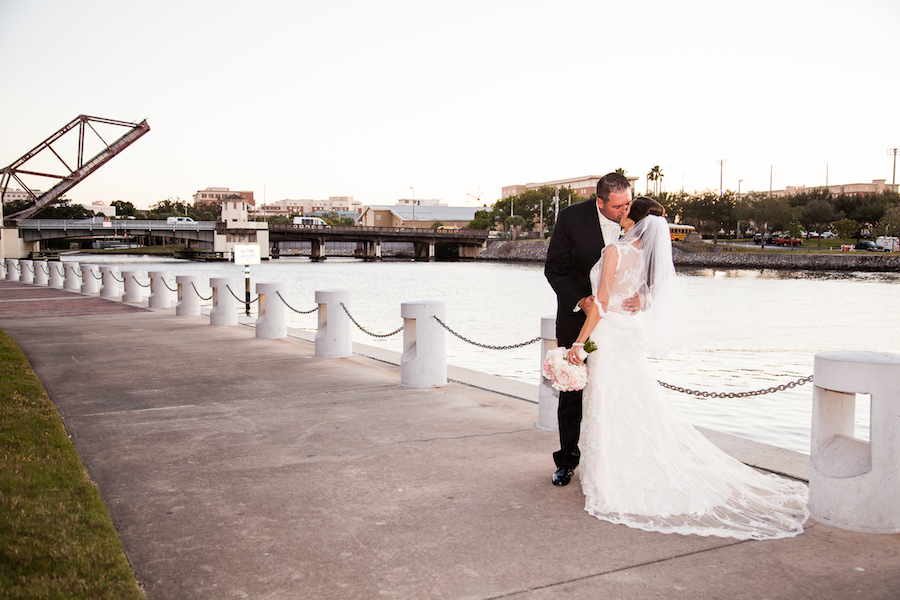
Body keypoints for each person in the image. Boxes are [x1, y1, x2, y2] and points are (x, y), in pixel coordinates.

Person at [565, 197, 809, 540]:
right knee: (631, 401)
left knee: (611, 401)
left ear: (632, 219)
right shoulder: (645, 255)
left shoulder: (614, 253)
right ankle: (626, 468)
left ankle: (614, 477)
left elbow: (602, 302)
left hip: (608, 334)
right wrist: (642, 301)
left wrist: (578, 343)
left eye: (625, 209)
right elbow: (650, 292)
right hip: (628, 335)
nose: (619, 212)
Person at [544, 172, 638, 486]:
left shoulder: (637, 218)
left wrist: (642, 295)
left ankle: (617, 460)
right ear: (600, 202)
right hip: (578, 319)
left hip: (617, 325)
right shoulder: (570, 219)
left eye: (628, 204)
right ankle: (567, 461)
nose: (624, 212)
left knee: (618, 391)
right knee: (572, 394)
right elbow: (554, 268)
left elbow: (647, 268)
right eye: (617, 207)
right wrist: (580, 300)